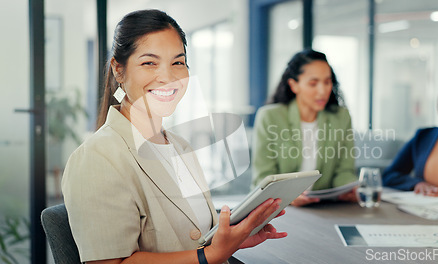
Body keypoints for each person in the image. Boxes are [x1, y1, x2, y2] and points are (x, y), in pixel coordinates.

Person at [61, 9, 287, 264]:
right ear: (118, 70)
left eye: (178, 62)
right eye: (149, 62)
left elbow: (194, 235)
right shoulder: (97, 157)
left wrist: (232, 240)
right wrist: (208, 256)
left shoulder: (180, 146)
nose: (168, 77)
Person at [251, 49, 358, 207]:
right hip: (279, 209)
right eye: (313, 83)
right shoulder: (270, 117)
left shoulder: (341, 117)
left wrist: (351, 188)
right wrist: (288, 196)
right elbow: (263, 176)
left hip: (324, 207)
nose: (322, 91)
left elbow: (344, 171)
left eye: (327, 82)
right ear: (294, 85)